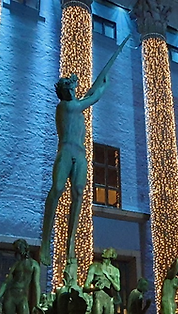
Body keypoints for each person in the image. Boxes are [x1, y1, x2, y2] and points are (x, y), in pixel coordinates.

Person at [40, 35, 131, 266]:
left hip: (80, 155)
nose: (73, 89)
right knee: (57, 190)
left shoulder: (75, 107)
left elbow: (88, 96)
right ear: (65, 91)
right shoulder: (66, 107)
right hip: (66, 152)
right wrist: (104, 85)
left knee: (79, 194)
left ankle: (70, 244)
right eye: (70, 86)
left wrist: (99, 85)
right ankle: (45, 242)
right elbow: (93, 98)